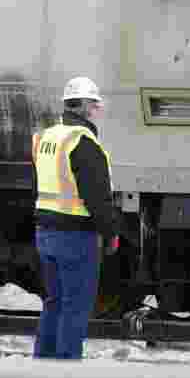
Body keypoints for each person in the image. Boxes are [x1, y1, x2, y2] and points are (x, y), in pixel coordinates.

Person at [31, 76, 119, 359]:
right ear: (83, 107)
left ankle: (43, 366)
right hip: (75, 236)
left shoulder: (48, 137)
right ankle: (66, 372)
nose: (97, 111)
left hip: (45, 232)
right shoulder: (82, 142)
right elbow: (97, 197)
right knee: (75, 306)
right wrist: (112, 232)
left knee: (54, 303)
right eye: (94, 105)